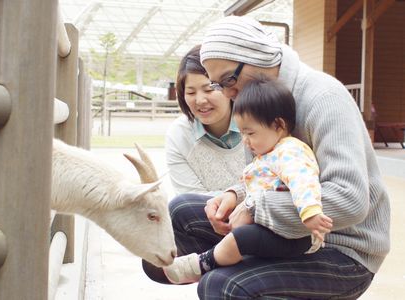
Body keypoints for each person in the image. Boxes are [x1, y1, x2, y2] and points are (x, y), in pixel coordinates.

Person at [144, 16, 390, 299]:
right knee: (179, 213)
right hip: (286, 233)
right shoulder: (251, 98)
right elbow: (265, 173)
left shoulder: (324, 98)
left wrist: (254, 206)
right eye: (218, 85)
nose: (227, 93)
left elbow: (350, 201)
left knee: (221, 286)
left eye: (228, 80)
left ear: (254, 57)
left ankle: (233, 271)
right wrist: (235, 195)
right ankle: (236, 267)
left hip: (342, 248)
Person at [162, 77, 333, 284]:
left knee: (241, 239)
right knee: (240, 235)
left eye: (250, 133)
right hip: (270, 229)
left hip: (292, 235)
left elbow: (303, 181)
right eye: (242, 132)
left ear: (278, 125)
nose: (245, 140)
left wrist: (310, 212)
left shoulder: (289, 151)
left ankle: (204, 263)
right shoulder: (268, 153)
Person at [165, 45, 246, 195]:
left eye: (209, 89)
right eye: (190, 92)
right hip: (205, 216)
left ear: (229, 86)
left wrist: (237, 198)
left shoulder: (257, 121)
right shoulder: (179, 134)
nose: (200, 100)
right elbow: (190, 199)